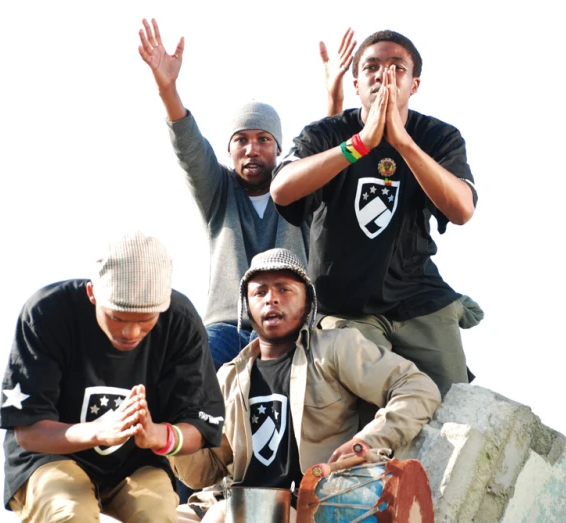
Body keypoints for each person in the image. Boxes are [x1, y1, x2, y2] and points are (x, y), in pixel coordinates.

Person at [271, 30, 482, 399]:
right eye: (371, 66)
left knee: (454, 409)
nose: (383, 74)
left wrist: (402, 142)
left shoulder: (438, 136)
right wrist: (360, 145)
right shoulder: (327, 132)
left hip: (419, 300)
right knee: (376, 413)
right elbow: (282, 187)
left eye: (397, 67)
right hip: (346, 308)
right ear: (356, 83)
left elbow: (462, 209)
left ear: (414, 84)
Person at [138, 19, 355, 369]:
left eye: (263, 139)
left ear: (279, 148)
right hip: (228, 325)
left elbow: (323, 161)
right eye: (241, 140)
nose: (252, 149)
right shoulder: (218, 191)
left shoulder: (297, 190)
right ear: (229, 150)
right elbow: (189, 147)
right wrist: (168, 89)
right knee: (191, 370)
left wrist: (335, 97)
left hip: (293, 323)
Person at [172, 248, 441, 523]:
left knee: (224, 515)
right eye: (260, 292)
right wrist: (170, 432)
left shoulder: (336, 348)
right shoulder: (229, 377)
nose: (271, 299)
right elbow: (205, 472)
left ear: (308, 300)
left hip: (310, 506)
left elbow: (417, 387)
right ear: (246, 304)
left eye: (284, 289)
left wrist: (366, 441)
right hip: (232, 502)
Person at [0, 231, 225, 523]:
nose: (131, 333)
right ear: (92, 293)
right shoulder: (47, 312)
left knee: (158, 516)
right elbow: (28, 433)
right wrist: (98, 431)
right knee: (70, 513)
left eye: (146, 320)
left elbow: (200, 426)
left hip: (137, 462)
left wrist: (160, 436)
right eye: (117, 317)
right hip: (49, 456)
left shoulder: (180, 321)